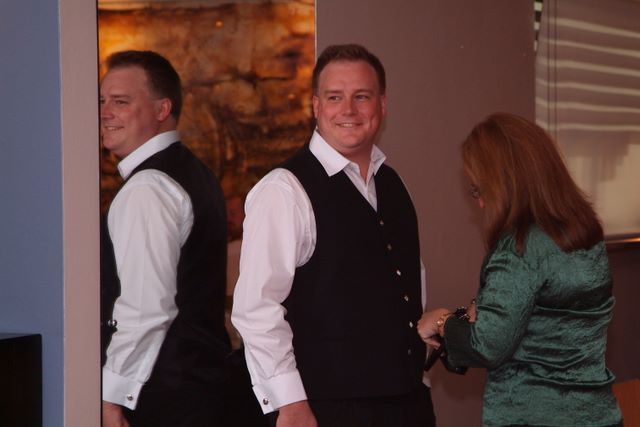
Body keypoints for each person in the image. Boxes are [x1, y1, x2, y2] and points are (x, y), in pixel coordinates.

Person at [232, 44, 435, 427]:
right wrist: (290, 403)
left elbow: (408, 286)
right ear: (316, 106)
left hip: (408, 404)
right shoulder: (284, 189)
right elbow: (256, 309)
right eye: (335, 97)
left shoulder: (393, 184)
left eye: (362, 96)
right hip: (324, 409)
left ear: (382, 105)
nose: (349, 110)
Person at [418, 113, 622, 426]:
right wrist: (480, 311)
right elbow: (545, 317)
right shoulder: (585, 233)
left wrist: (442, 321)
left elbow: (489, 346)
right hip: (596, 413)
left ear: (505, 185)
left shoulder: (520, 247)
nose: (481, 203)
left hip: (533, 414)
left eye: (480, 189)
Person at [100, 50, 230, 427]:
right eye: (102, 101)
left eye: (120, 102)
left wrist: (111, 397)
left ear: (162, 109)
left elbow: (146, 310)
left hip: (163, 398)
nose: (105, 112)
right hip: (201, 388)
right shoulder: (196, 172)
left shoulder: (148, 188)